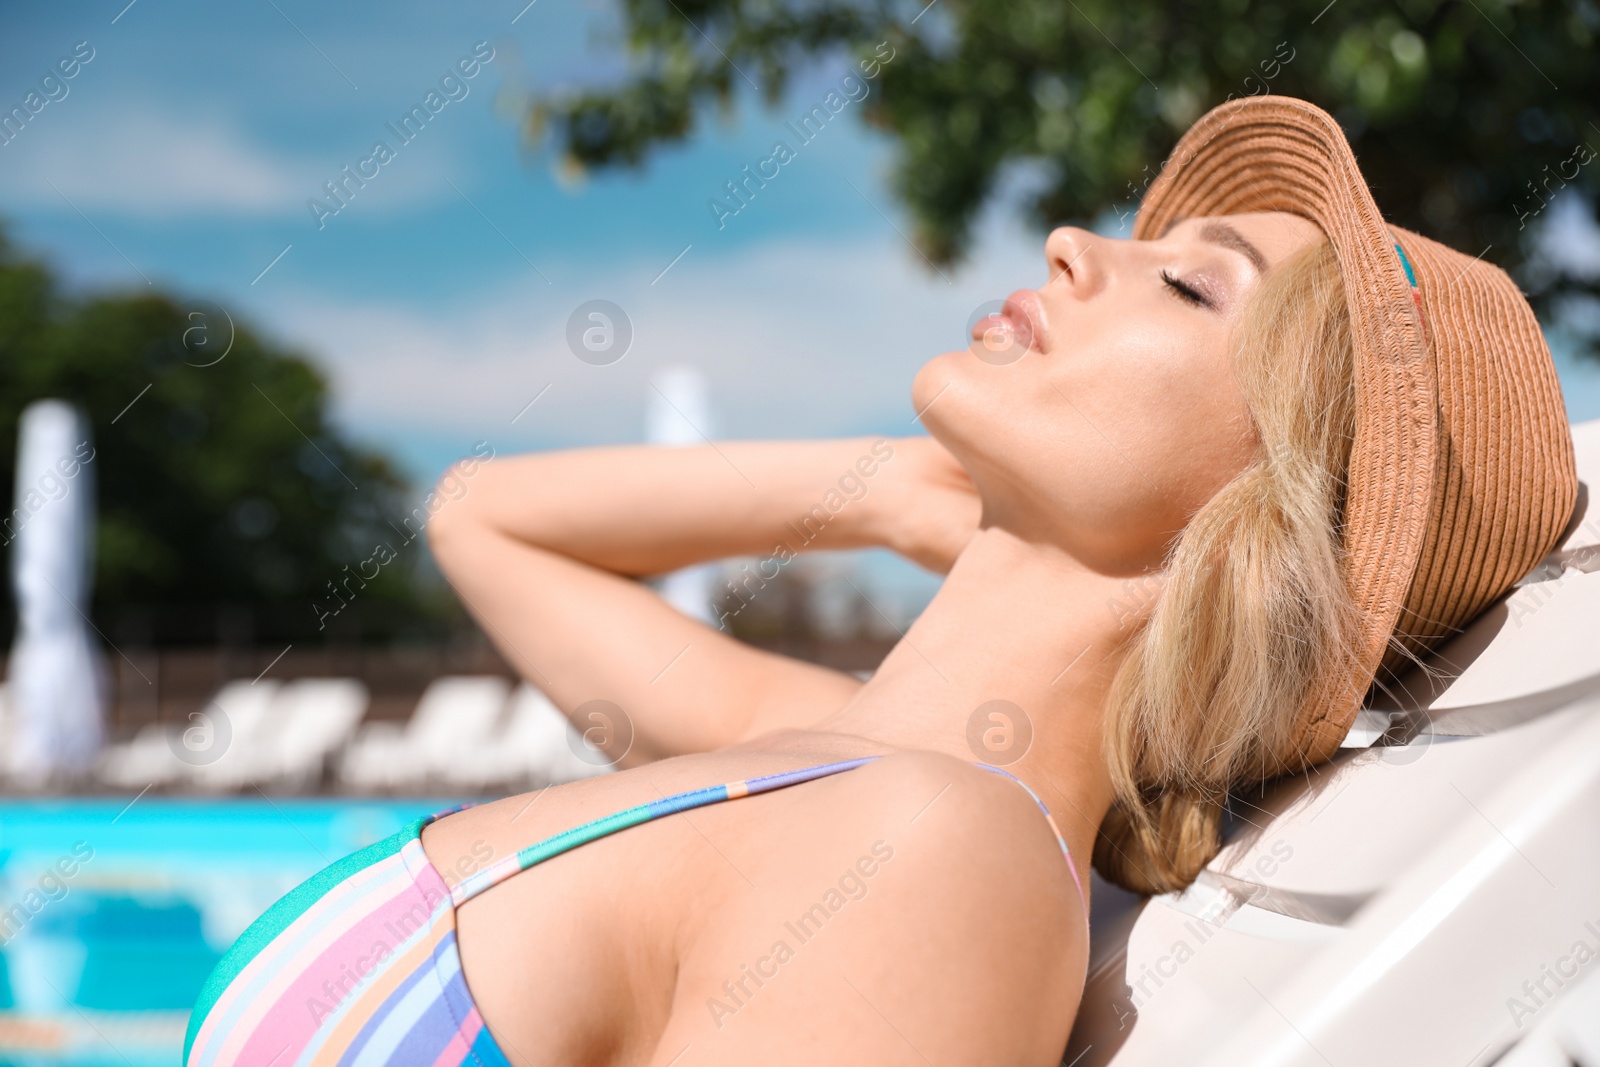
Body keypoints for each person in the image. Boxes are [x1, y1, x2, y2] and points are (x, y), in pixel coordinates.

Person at [184, 96, 1576, 1067]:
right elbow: (481, 517)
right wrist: (894, 485)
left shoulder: (928, 861)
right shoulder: (833, 774)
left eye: (1191, 290)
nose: (1075, 246)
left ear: (1265, 516)